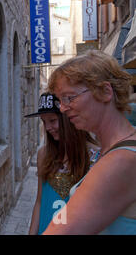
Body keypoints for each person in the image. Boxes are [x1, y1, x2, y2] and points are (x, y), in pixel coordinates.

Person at [44, 50, 136, 234]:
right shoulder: (113, 150)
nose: (62, 108)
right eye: (60, 100)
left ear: (105, 91)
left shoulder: (121, 160)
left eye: (69, 98)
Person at [26, 92, 99, 235]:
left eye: (52, 120)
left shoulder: (95, 157)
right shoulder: (44, 154)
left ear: (68, 118)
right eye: (44, 121)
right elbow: (40, 201)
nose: (47, 128)